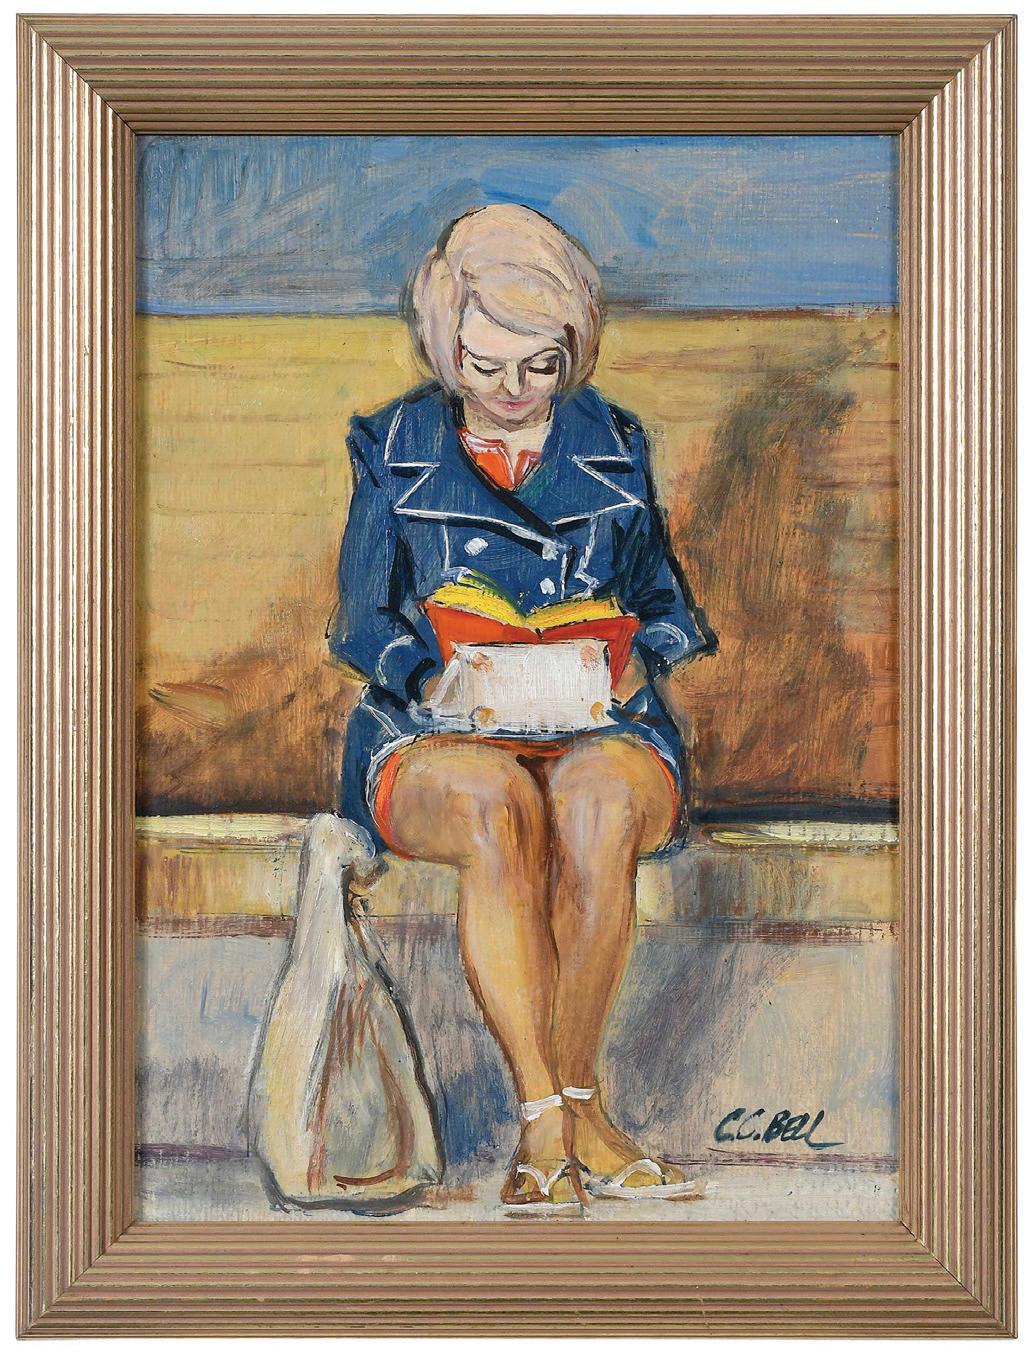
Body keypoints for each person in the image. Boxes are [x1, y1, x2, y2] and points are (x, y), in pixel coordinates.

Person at [329, 204, 717, 1212]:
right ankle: (545, 1114)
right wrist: (433, 681)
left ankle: (577, 1108)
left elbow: (671, 612)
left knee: (596, 805)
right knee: (496, 805)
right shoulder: (393, 442)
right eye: (484, 364)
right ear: (443, 345)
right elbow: (359, 625)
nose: (511, 390)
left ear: (570, 351)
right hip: (437, 729)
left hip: (597, 720)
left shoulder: (613, 441)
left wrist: (631, 667)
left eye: (540, 366)